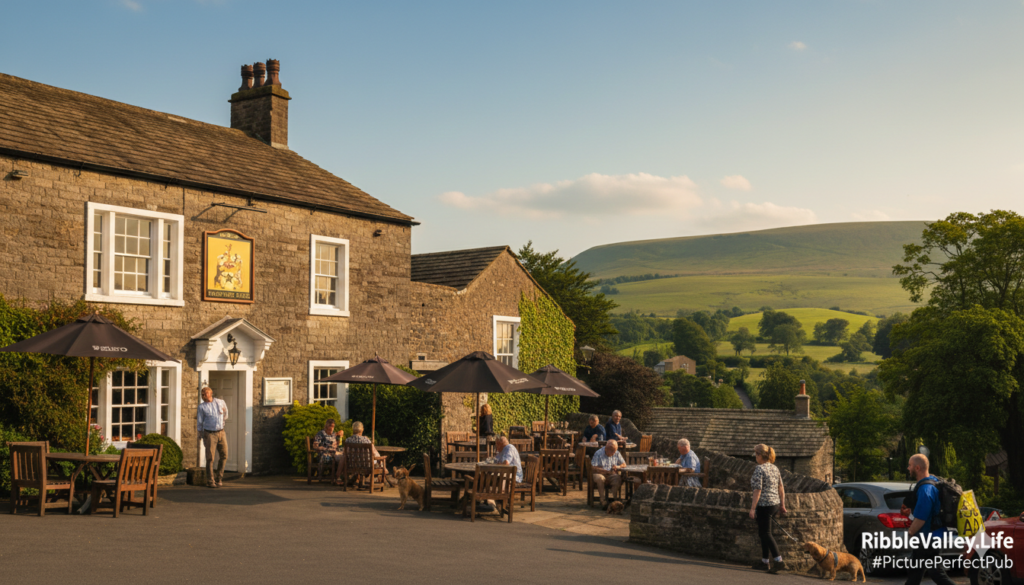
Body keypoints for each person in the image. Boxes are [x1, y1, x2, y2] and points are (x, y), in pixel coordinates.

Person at [903, 454, 956, 585]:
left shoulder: (925, 489)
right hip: (933, 535)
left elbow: (921, 518)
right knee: (917, 571)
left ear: (917, 467)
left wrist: (910, 532)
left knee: (933, 572)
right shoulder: (932, 482)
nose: (908, 468)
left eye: (909, 465)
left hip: (928, 537)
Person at [749, 443, 788, 573]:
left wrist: (752, 508)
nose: (755, 456)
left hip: (764, 505)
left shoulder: (759, 469)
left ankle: (779, 561)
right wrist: (782, 505)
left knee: (765, 533)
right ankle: (765, 561)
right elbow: (781, 487)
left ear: (760, 455)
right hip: (775, 504)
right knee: (764, 533)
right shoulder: (775, 468)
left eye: (756, 454)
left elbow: (757, 490)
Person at [196, 386, 229, 488]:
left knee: (224, 455)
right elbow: (200, 421)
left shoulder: (220, 402)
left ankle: (219, 478)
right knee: (210, 458)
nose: (204, 395)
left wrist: (222, 422)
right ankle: (210, 481)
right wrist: (200, 434)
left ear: (210, 393)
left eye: (206, 393)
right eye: (203, 394)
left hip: (221, 432)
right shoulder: (202, 407)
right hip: (209, 434)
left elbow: (226, 414)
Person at [591, 439, 626, 507]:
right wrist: (604, 471)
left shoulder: (616, 453)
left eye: (615, 451)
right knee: (600, 478)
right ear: (607, 449)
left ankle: (615, 499)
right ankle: (602, 500)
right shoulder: (598, 453)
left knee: (618, 478)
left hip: (611, 473)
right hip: (599, 473)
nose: (614, 453)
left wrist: (617, 467)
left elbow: (624, 464)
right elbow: (593, 467)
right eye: (612, 451)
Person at [313, 418, 344, 485]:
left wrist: (339, 440)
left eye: (333, 426)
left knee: (343, 457)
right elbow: (315, 446)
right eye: (330, 426)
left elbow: (338, 445)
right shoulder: (321, 433)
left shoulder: (334, 434)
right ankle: (336, 478)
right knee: (335, 458)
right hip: (325, 453)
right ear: (326, 426)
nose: (332, 428)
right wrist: (322, 448)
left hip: (334, 452)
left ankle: (339, 477)